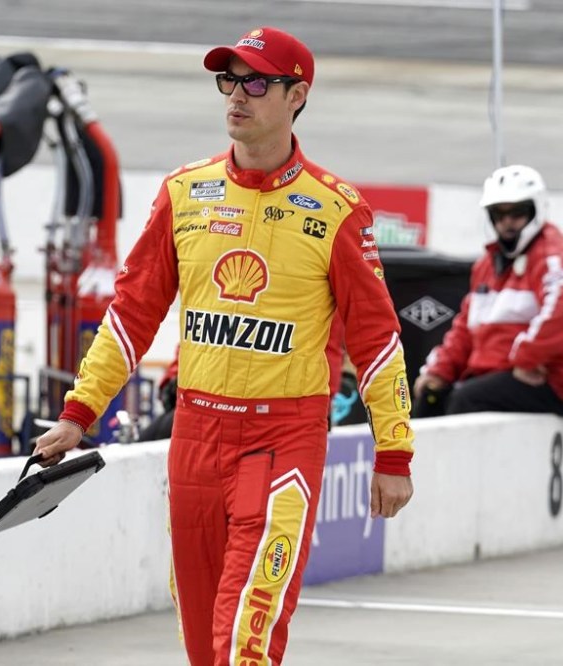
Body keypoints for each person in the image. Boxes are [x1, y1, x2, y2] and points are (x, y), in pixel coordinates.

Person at [34, 26, 415, 666]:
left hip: (283, 440)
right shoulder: (185, 192)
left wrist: (394, 451)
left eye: (257, 82)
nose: (237, 96)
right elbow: (132, 312)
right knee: (204, 650)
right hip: (194, 436)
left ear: (298, 96)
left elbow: (377, 339)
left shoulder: (337, 209)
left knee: (246, 643)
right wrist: (80, 413)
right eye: (229, 80)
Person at [412, 164, 563, 418]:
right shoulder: (488, 265)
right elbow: (466, 329)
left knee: (465, 401)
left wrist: (526, 359)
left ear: (536, 210)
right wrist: (438, 371)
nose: (507, 223)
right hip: (497, 376)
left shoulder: (554, 257)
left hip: (554, 383)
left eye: (517, 213)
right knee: (431, 398)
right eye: (499, 215)